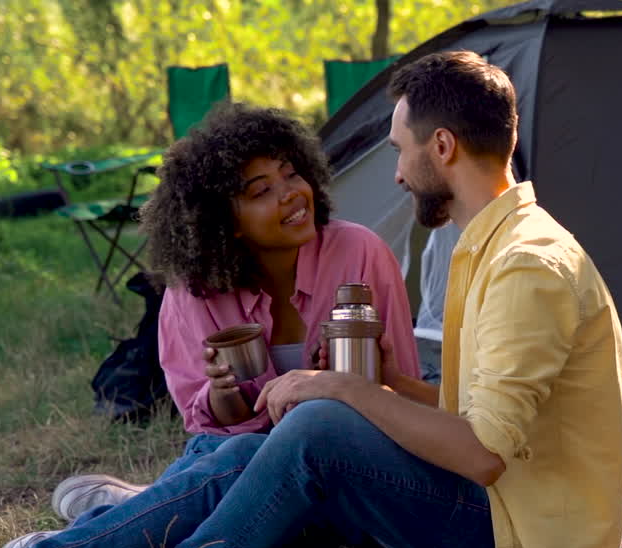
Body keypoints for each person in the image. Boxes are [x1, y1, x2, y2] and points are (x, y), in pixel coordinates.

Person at [0, 50, 622, 548]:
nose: (397, 175)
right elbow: (477, 418)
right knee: (258, 452)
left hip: (517, 539)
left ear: (442, 148)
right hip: (507, 509)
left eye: (400, 153)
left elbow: (483, 455)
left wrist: (340, 389)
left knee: (317, 427)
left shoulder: (524, 267)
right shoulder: (486, 247)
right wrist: (394, 384)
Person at [50, 102, 420, 520]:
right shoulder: (194, 291)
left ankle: (144, 504)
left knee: (246, 484)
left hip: (340, 453)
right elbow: (208, 424)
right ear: (228, 221)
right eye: (261, 191)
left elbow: (401, 386)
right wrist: (224, 395)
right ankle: (147, 509)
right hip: (233, 453)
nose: (291, 194)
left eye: (291, 173)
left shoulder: (360, 252)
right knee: (238, 458)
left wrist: (337, 382)